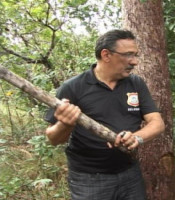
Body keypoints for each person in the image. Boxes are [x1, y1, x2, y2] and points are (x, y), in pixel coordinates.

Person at [44, 29, 165, 200]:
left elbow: (157, 123)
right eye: (129, 55)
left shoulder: (135, 83)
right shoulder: (73, 87)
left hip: (130, 173)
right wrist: (66, 123)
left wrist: (136, 138)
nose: (135, 62)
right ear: (106, 55)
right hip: (89, 180)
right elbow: (52, 138)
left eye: (136, 55)